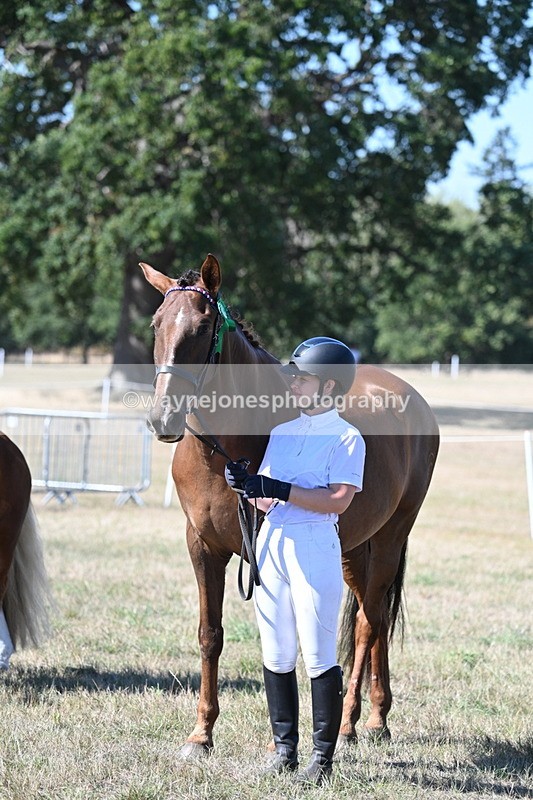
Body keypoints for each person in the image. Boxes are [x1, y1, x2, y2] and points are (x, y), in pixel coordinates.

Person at [225, 336, 366, 786]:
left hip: (313, 546)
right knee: (277, 651)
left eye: (301, 379)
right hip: (273, 543)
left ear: (328, 387)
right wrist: (248, 484)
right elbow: (267, 500)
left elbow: (339, 500)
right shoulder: (282, 433)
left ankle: (322, 760)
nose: (294, 385)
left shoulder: (347, 437)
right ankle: (284, 749)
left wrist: (281, 490)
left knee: (317, 653)